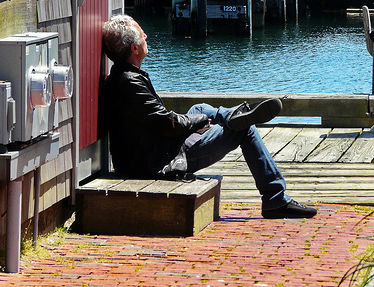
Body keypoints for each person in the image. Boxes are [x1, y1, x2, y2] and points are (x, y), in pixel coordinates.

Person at [102, 14, 317, 219]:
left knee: (198, 107)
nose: (146, 36)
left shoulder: (124, 76)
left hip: (152, 150)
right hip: (159, 161)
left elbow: (160, 122)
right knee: (244, 128)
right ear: (134, 48)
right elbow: (168, 124)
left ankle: (233, 114)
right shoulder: (130, 82)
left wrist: (196, 119)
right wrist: (199, 123)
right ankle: (275, 199)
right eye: (142, 35)